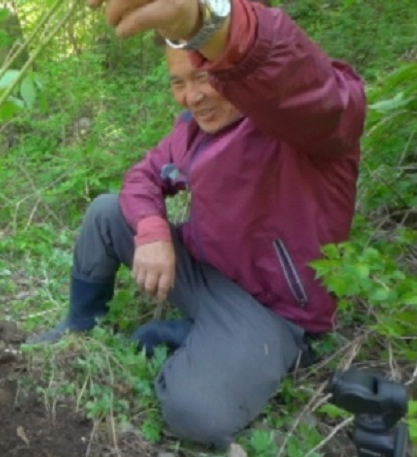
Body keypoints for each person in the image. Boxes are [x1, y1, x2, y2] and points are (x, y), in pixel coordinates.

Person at [29, 0, 366, 448]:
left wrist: (209, 20)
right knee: (108, 212)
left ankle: (198, 342)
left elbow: (309, 89)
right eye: (178, 83)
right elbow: (143, 177)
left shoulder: (303, 127)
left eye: (204, 76)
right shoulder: (192, 131)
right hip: (213, 277)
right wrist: (151, 229)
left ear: (230, 70)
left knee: (194, 411)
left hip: (274, 313)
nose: (194, 96)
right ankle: (79, 324)